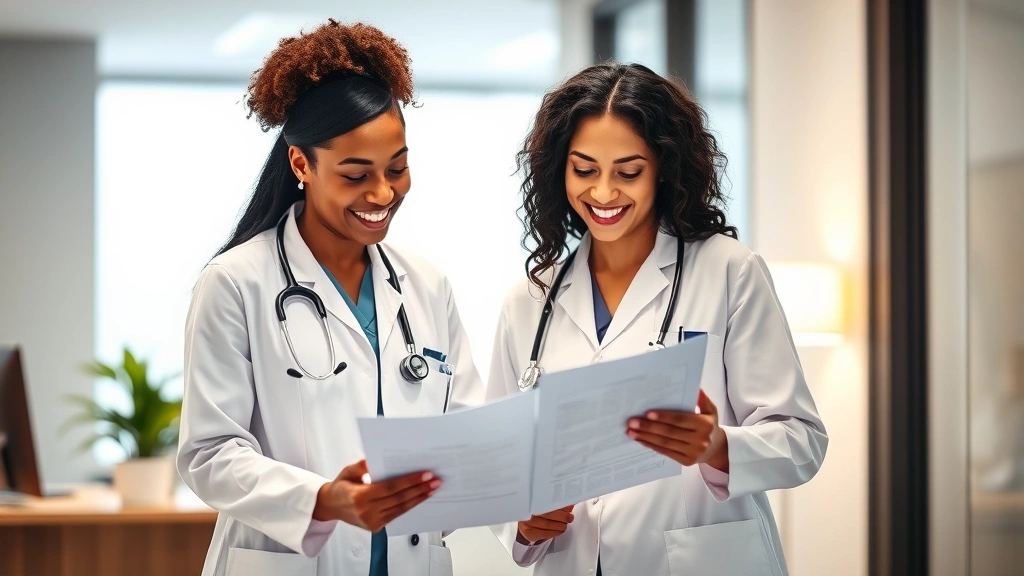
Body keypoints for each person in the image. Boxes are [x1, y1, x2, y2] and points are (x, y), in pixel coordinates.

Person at [487, 62, 828, 575]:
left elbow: (802, 440)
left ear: (664, 168)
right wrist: (522, 520)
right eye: (584, 170)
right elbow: (501, 458)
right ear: (559, 169)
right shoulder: (529, 301)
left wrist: (718, 447)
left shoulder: (728, 271)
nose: (603, 193)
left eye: (628, 172)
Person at [176, 20, 482, 576]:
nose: (383, 193)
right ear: (301, 164)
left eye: (398, 168)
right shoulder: (235, 282)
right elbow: (209, 455)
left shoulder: (427, 285)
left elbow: (465, 432)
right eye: (356, 174)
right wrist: (324, 499)